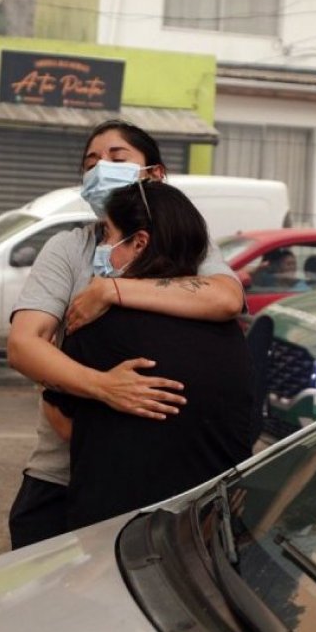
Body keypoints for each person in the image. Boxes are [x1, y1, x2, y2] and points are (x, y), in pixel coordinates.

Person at [4, 120, 246, 549]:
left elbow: (225, 298)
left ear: (153, 174)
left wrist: (110, 289)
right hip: (64, 474)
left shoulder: (189, 245)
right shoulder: (68, 247)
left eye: (117, 158)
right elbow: (25, 345)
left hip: (168, 481)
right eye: (91, 162)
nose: (100, 169)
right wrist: (103, 387)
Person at [43, 181, 257, 531]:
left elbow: (60, 416)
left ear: (139, 242)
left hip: (118, 536)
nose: (104, 246)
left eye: (109, 235)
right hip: (208, 532)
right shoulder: (231, 332)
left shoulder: (99, 326)